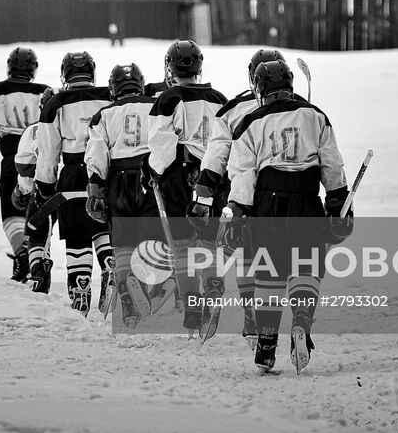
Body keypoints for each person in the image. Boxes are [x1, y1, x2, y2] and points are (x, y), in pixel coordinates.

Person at [223, 59, 351, 374]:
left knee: (269, 273)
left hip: (268, 206)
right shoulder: (315, 115)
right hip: (307, 202)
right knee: (306, 267)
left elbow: (243, 175)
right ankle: (302, 324)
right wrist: (337, 203)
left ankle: (266, 343)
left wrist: (238, 211)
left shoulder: (249, 122)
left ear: (259, 87)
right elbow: (331, 164)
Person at [194, 48, 292, 338]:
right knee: (256, 255)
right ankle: (252, 313)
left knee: (231, 246)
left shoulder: (231, 109)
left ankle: (213, 282)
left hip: (236, 189)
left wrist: (204, 194)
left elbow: (216, 155)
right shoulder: (299, 107)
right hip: (278, 191)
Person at [147, 39, 228, 333]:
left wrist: (154, 170)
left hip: (179, 175)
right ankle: (213, 284)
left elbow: (161, 143)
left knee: (181, 244)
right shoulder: (220, 98)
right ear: (199, 66)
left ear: (170, 67)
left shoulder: (169, 98)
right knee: (208, 239)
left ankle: (192, 306)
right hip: (213, 177)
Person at [30, 51, 114, 314]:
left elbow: (48, 151)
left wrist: (45, 187)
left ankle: (80, 285)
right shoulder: (109, 96)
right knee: (102, 226)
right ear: (92, 72)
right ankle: (110, 263)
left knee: (77, 232)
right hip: (105, 172)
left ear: (64, 74)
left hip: (73, 173)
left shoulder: (55, 103)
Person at [84, 62, 161, 323]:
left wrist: (96, 190)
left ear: (114, 87)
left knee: (124, 245)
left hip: (118, 180)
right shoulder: (157, 106)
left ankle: (128, 301)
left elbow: (96, 154)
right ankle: (146, 289)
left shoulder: (104, 114)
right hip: (150, 179)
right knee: (149, 241)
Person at [0, 47, 49, 283]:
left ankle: (22, 254)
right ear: (33, 68)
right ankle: (38, 260)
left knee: (11, 212)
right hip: (42, 159)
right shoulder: (45, 92)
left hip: (11, 160)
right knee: (41, 211)